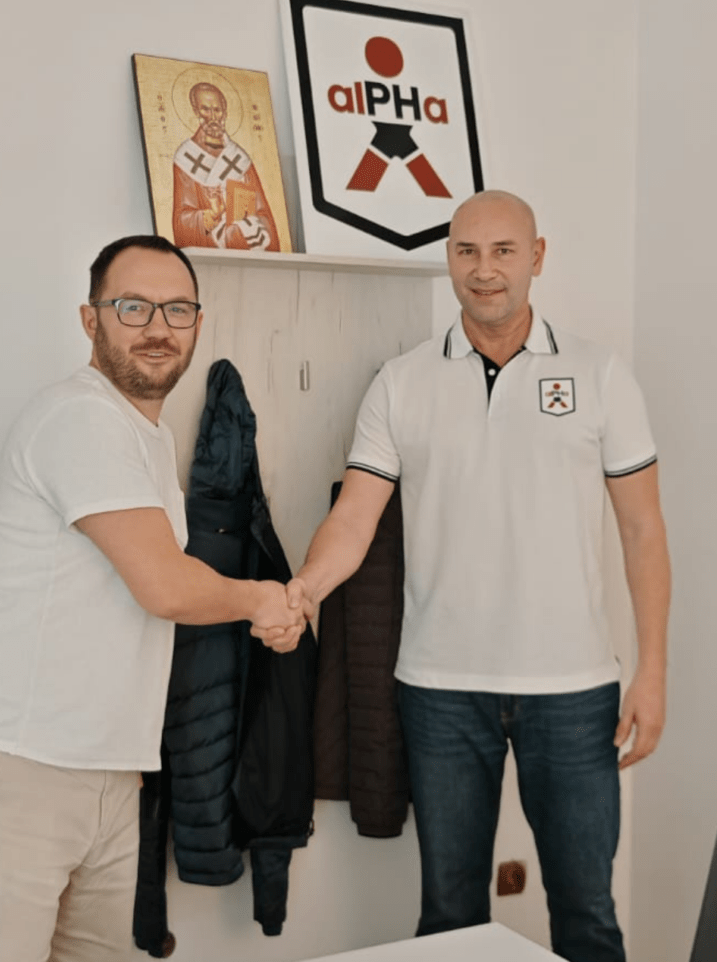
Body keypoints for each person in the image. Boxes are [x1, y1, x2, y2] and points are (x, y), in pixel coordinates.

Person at [276, 191, 671, 962]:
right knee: (449, 918)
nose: (483, 270)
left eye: (502, 251)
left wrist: (651, 672)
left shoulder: (599, 374)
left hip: (573, 691)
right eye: (466, 251)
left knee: (587, 916)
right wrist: (304, 592)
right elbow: (354, 518)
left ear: (536, 257)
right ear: (448, 258)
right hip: (440, 691)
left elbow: (642, 530)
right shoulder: (401, 382)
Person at [0, 235, 304, 962]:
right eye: (133, 307)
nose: (157, 327)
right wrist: (263, 599)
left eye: (177, 309)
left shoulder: (144, 435)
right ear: (89, 318)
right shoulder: (80, 416)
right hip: (18, 769)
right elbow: (163, 584)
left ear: (197, 323)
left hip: (106, 769)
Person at [172, 81, 280, 251]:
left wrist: (241, 224)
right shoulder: (187, 157)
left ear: (225, 112)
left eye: (217, 110)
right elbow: (182, 221)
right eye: (205, 109)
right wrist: (211, 215)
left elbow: (259, 213)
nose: (213, 117)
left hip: (239, 243)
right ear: (195, 111)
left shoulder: (238, 159)